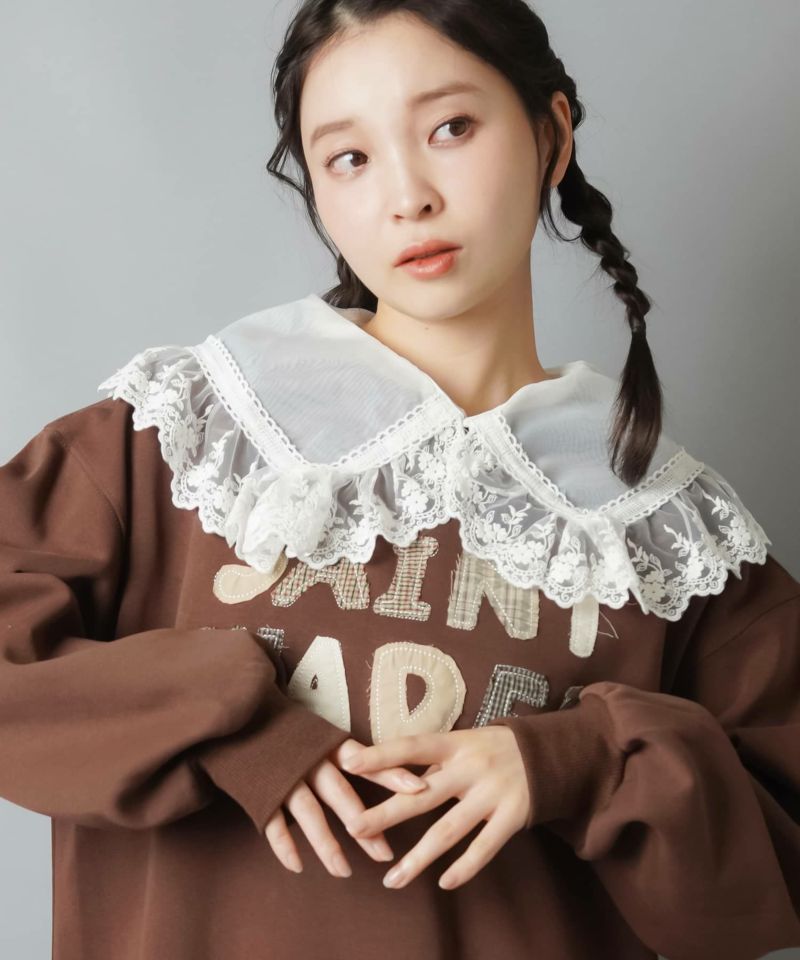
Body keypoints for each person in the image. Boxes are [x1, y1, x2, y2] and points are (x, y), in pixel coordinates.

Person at [1, 3, 798, 959]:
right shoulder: (182, 440)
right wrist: (222, 724)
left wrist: (578, 759)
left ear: (551, 136)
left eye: (451, 128)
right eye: (349, 158)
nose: (407, 196)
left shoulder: (668, 534)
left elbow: (773, 852)